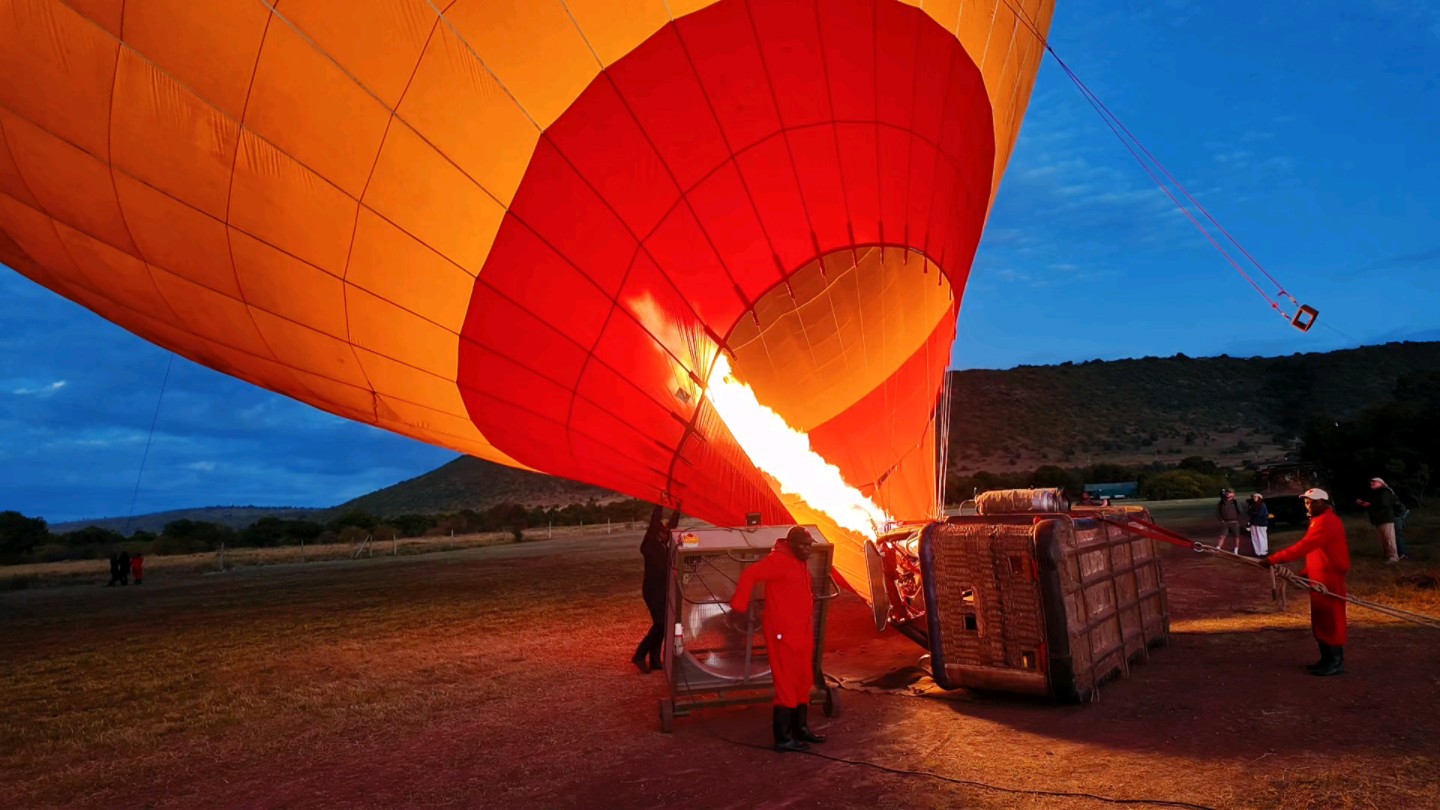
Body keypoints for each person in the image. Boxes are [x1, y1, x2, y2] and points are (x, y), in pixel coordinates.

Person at [730, 526, 825, 753]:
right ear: (792, 544)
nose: (807, 549)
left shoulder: (798, 561)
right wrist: (739, 607)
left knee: (803, 678)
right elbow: (750, 574)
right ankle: (783, 738)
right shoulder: (778, 561)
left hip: (801, 631)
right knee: (786, 681)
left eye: (809, 545)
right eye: (803, 545)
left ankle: (799, 728)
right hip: (783, 633)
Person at [1261, 488, 1350, 676]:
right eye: (1307, 502)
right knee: (1320, 617)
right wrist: (1305, 572)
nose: (1309, 505)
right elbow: (1316, 550)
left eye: (1314, 501)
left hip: (1329, 576)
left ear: (1325, 503)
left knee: (1330, 617)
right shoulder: (1317, 520)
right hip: (1319, 576)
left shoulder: (1327, 521)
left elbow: (1305, 546)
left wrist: (1274, 559)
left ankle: (1335, 662)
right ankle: (1326, 659)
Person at [631, 503, 681, 674]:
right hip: (653, 590)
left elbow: (672, 527)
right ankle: (639, 655)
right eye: (664, 532)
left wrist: (678, 508)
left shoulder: (663, 547)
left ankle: (654, 659)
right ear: (657, 532)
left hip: (662, 589)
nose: (668, 535)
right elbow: (654, 524)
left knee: (663, 624)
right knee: (660, 623)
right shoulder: (650, 544)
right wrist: (659, 504)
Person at [1355, 477, 1400, 563]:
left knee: (1389, 538)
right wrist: (1363, 503)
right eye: (1371, 482)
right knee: (1384, 539)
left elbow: (1384, 503)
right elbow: (1376, 503)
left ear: (1381, 483)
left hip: (1385, 518)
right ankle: (1388, 555)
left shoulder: (1384, 491)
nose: (1371, 483)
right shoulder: (1377, 493)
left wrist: (1369, 504)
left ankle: (1393, 557)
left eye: (1374, 482)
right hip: (1379, 519)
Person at [1215, 489, 1246, 554]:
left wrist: (1237, 519)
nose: (1228, 493)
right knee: (1222, 536)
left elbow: (1240, 511)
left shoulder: (1235, 502)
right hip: (1225, 522)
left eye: (1229, 492)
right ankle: (1218, 548)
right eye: (1227, 492)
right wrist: (1221, 520)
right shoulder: (1221, 503)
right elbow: (1218, 512)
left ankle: (1236, 550)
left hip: (1234, 522)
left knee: (1236, 537)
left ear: (1233, 494)